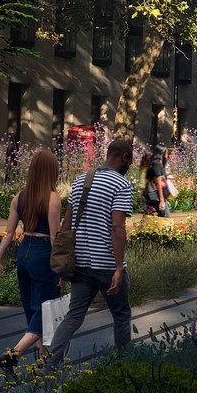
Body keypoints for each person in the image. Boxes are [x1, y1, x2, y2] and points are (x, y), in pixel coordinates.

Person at [47, 139, 136, 367]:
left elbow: (66, 223)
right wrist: (118, 267)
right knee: (121, 316)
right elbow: (117, 227)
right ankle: (123, 366)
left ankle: (48, 366)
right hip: (106, 264)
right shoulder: (121, 185)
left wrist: (62, 261)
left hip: (81, 263)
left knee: (74, 316)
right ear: (124, 157)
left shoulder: (80, 181)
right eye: (131, 159)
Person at [0, 150, 62, 373]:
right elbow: (54, 237)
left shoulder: (19, 197)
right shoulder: (52, 198)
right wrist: (61, 268)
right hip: (43, 255)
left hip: (25, 253)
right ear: (51, 171)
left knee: (34, 310)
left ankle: (43, 361)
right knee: (46, 311)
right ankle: (13, 355)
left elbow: (9, 233)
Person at [141, 151, 169, 218]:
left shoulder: (145, 170)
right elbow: (158, 183)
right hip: (154, 196)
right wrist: (162, 201)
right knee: (165, 218)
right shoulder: (154, 167)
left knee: (150, 217)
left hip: (147, 196)